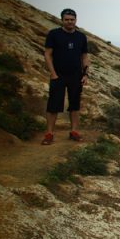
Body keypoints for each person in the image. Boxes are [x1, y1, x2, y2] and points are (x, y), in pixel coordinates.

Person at [42, 8, 89, 145]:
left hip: (76, 75)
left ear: (76, 20)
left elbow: (84, 56)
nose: (69, 22)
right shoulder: (54, 34)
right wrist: (53, 73)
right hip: (58, 75)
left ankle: (74, 132)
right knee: (53, 105)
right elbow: (47, 54)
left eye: (72, 20)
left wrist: (85, 74)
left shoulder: (81, 37)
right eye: (67, 20)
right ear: (62, 20)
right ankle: (49, 133)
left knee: (74, 105)